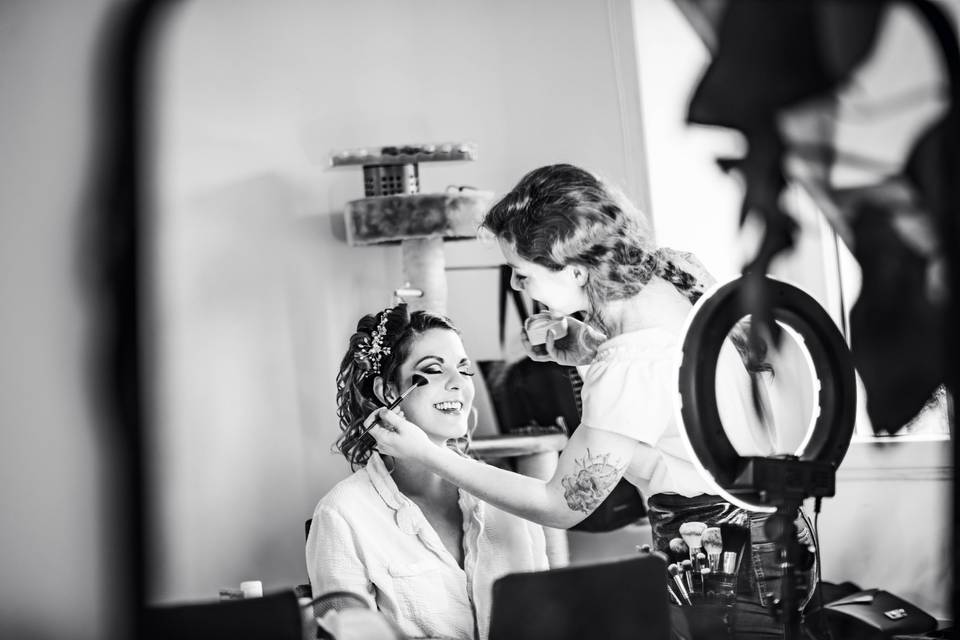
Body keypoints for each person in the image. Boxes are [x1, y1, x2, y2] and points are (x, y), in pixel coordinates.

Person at [368, 164, 816, 639]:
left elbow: (559, 503)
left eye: (522, 274)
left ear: (576, 270)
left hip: (730, 569)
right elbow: (671, 389)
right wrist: (586, 348)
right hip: (780, 540)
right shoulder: (673, 274)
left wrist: (429, 455)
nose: (519, 288)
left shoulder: (629, 364)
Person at [305, 304, 549, 640]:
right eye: (433, 370)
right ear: (389, 392)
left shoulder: (506, 497)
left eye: (464, 370)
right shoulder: (342, 514)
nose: (457, 384)